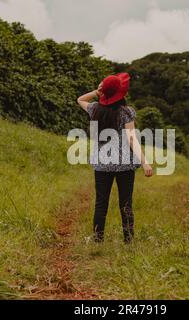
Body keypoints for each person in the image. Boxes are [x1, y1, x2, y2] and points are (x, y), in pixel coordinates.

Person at [77, 73, 153, 243]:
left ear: (104, 93)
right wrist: (144, 162)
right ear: (121, 94)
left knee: (101, 203)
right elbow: (132, 139)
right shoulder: (126, 112)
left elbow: (80, 99)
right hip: (124, 164)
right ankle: (128, 240)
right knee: (125, 203)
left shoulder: (94, 108)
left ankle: (98, 238)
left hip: (102, 164)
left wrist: (97, 92)